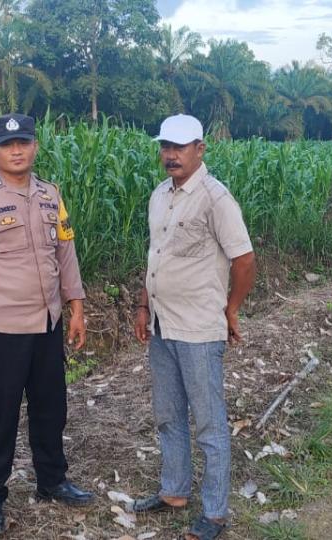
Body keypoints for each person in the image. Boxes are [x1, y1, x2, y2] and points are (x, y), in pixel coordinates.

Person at [0, 113, 94, 537]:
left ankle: (52, 480)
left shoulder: (51, 195)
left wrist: (77, 307)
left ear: (34, 145)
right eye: (7, 144)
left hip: (47, 323)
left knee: (51, 409)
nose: (17, 150)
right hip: (0, 329)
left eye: (24, 142)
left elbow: (65, 253)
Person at [129, 114, 257, 540]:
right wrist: (144, 306)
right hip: (163, 325)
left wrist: (231, 309)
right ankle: (174, 492)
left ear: (200, 149)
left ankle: (215, 512)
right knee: (167, 415)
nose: (171, 155)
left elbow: (244, 260)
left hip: (200, 328)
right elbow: (155, 255)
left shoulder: (216, 199)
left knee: (208, 423)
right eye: (165, 146)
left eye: (180, 147)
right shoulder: (159, 195)